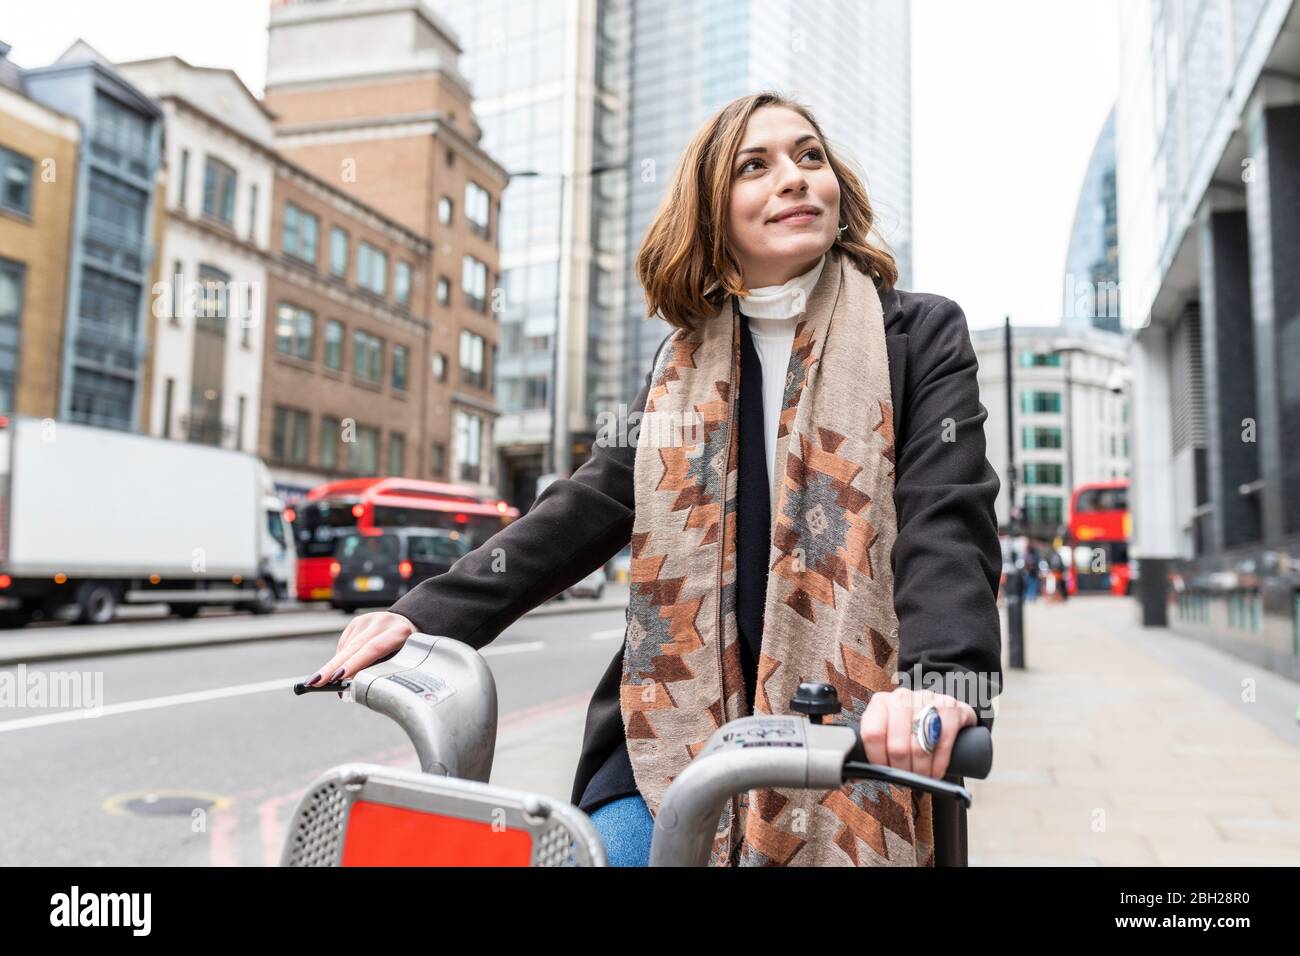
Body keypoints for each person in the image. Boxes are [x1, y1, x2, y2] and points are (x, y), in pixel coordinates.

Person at [303, 92, 1003, 867]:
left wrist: (944, 685)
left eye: (811, 157)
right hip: (670, 738)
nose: (796, 179)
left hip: (854, 738)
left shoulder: (920, 335)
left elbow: (947, 518)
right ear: (712, 213)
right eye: (755, 166)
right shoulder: (683, 364)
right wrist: (425, 615)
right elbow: (591, 501)